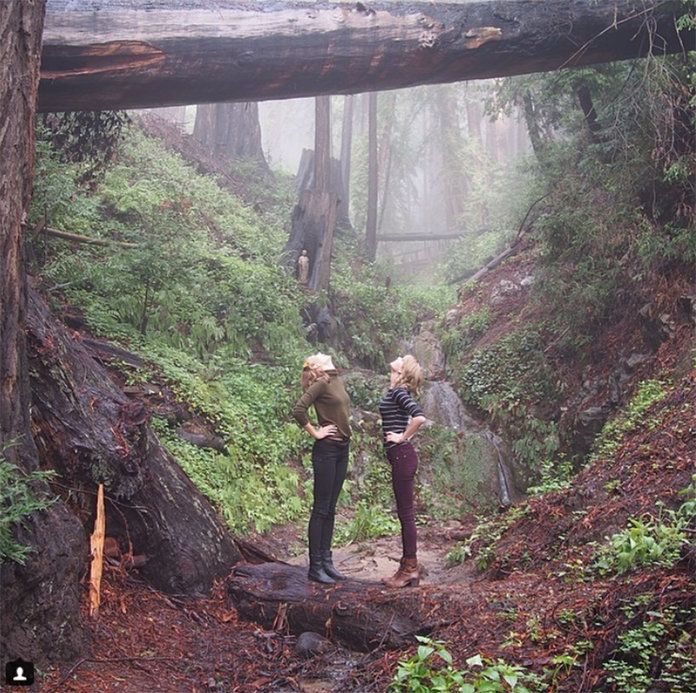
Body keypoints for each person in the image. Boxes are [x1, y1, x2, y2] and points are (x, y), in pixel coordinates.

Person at [292, 353, 351, 584]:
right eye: (317, 355)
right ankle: (315, 567)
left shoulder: (336, 379)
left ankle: (327, 561)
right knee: (321, 508)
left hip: (342, 449)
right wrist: (316, 432)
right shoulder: (321, 383)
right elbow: (298, 409)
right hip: (326, 450)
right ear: (318, 365)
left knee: (331, 508)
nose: (322, 352)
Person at [379, 354, 426, 588]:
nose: (395, 358)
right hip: (401, 456)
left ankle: (410, 569)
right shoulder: (397, 391)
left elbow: (419, 418)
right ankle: (407, 567)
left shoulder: (399, 392)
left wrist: (402, 437)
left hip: (402, 455)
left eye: (399, 359)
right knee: (404, 514)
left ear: (402, 372)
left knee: (406, 515)